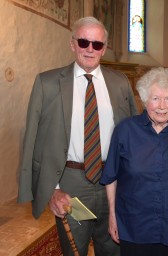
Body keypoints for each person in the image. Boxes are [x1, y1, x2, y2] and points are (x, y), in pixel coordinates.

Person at [17, 16, 137, 255]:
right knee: (74, 248)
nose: (90, 49)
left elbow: (133, 136)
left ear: (104, 48)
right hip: (71, 186)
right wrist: (53, 188)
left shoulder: (120, 83)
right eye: (84, 42)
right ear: (72, 44)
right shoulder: (48, 83)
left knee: (112, 247)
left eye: (97, 44)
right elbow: (33, 140)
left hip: (111, 183)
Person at [100, 67, 168, 256]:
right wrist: (112, 216)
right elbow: (111, 176)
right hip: (133, 225)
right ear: (144, 101)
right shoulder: (125, 130)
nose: (162, 105)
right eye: (155, 98)